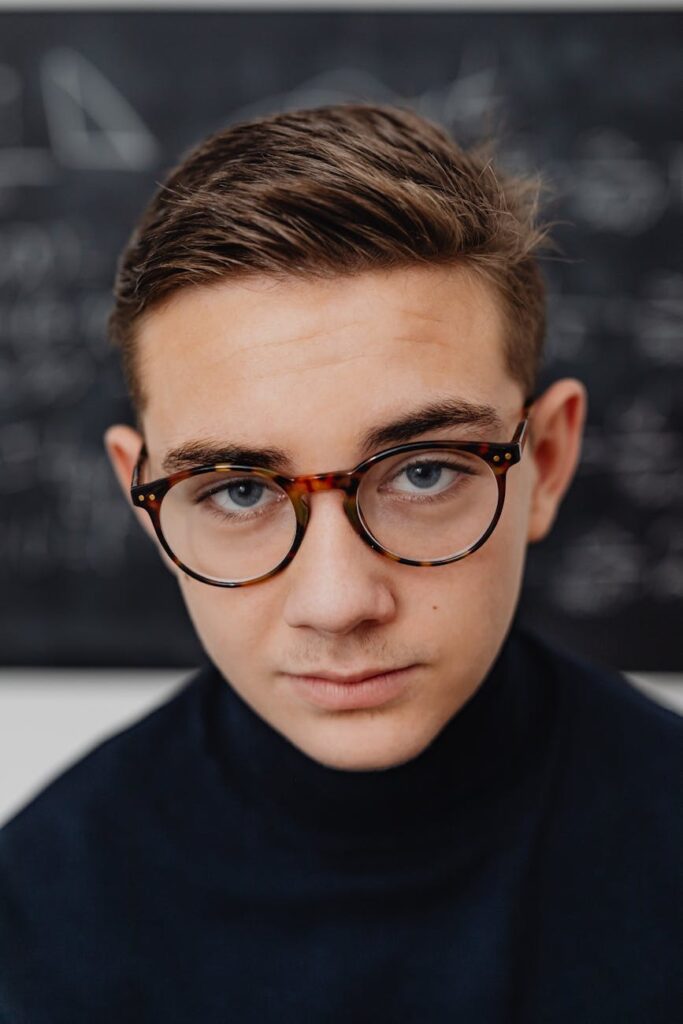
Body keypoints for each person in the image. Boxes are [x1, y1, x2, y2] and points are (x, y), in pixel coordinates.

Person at [0, 102, 680, 1023]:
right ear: (145, 501)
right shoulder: (37, 909)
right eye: (239, 489)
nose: (336, 601)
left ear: (547, 461)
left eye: (425, 471)